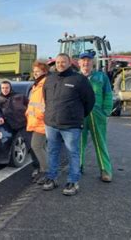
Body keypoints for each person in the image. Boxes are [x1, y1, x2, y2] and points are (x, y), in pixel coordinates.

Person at [42, 53, 95, 196]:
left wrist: (76, 116)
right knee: (52, 151)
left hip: (71, 125)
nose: (60, 64)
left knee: (73, 153)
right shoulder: (49, 79)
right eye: (58, 62)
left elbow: (89, 101)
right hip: (51, 124)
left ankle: (73, 181)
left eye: (63, 62)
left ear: (70, 62)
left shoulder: (79, 80)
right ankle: (52, 178)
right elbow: (46, 99)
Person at [78, 51, 113, 182]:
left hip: (97, 114)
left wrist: (106, 112)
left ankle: (105, 170)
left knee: (100, 142)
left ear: (92, 62)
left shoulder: (101, 77)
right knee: (78, 143)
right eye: (83, 60)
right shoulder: (75, 78)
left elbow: (108, 95)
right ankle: (78, 167)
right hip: (79, 114)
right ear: (79, 62)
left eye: (88, 60)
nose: (86, 62)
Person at [25, 61, 49, 184]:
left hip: (42, 122)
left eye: (37, 72)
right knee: (42, 147)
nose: (35, 74)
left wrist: (40, 116)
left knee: (36, 146)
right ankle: (42, 170)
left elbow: (45, 105)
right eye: (34, 72)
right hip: (35, 121)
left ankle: (46, 172)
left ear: (44, 72)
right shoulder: (37, 85)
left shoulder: (44, 84)